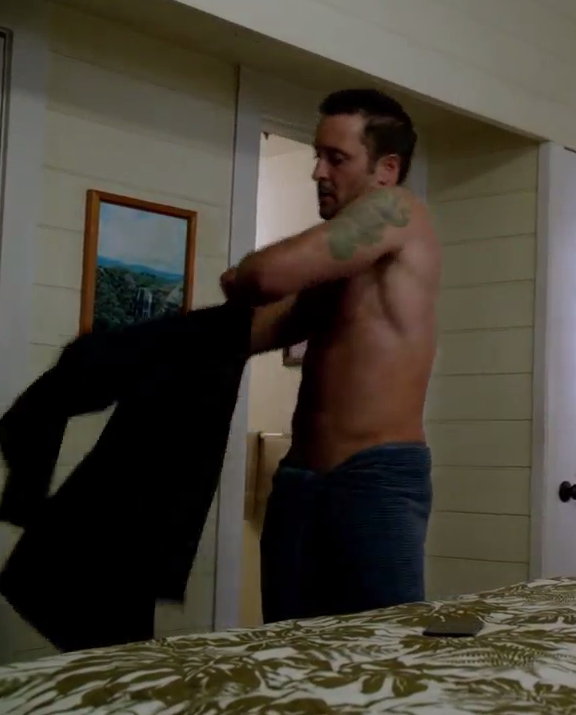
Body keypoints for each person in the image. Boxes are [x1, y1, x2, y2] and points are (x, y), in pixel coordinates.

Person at [221, 89, 441, 622]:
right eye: (317, 155)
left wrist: (239, 276)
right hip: (300, 479)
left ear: (387, 169)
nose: (318, 171)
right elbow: (253, 331)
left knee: (381, 652)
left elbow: (261, 277)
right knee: (290, 650)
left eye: (336, 158)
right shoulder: (348, 266)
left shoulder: (397, 210)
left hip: (373, 478)